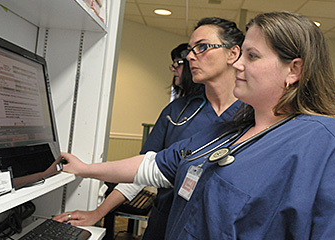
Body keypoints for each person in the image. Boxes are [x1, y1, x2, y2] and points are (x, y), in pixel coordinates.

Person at [60, 11, 335, 239]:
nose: (238, 65)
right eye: (242, 54)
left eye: (252, 56)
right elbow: (154, 165)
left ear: (293, 70)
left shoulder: (327, 144)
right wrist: (85, 169)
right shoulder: (229, 131)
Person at [54, 17, 245, 240]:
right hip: (165, 224)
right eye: (191, 49)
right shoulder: (177, 113)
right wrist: (98, 211)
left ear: (233, 54)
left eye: (202, 47)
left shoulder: (252, 115)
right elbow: (145, 170)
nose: (191, 56)